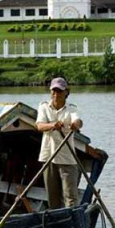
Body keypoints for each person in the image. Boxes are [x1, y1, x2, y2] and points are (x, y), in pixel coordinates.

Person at [35, 77, 83, 209]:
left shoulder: (71, 108)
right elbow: (39, 126)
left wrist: (75, 125)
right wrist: (53, 125)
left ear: (66, 92)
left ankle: (72, 222)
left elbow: (78, 120)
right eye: (53, 91)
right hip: (48, 157)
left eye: (59, 91)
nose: (56, 94)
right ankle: (57, 223)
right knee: (53, 198)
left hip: (67, 158)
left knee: (70, 197)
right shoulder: (44, 106)